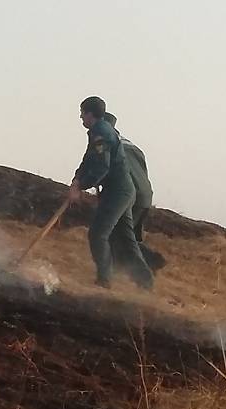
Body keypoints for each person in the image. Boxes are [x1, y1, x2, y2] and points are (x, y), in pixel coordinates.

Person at [68, 97, 154, 290]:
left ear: (90, 114)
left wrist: (81, 186)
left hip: (118, 192)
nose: (80, 116)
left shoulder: (102, 134)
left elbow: (101, 167)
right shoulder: (97, 132)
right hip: (121, 191)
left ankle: (104, 280)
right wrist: (77, 180)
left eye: (82, 112)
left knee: (98, 234)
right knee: (126, 240)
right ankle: (145, 282)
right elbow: (88, 160)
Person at [104, 112, 166, 273]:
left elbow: (104, 170)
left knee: (115, 235)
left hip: (126, 195)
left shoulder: (108, 144)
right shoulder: (133, 146)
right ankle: (123, 272)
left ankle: (149, 261)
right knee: (125, 235)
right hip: (145, 195)